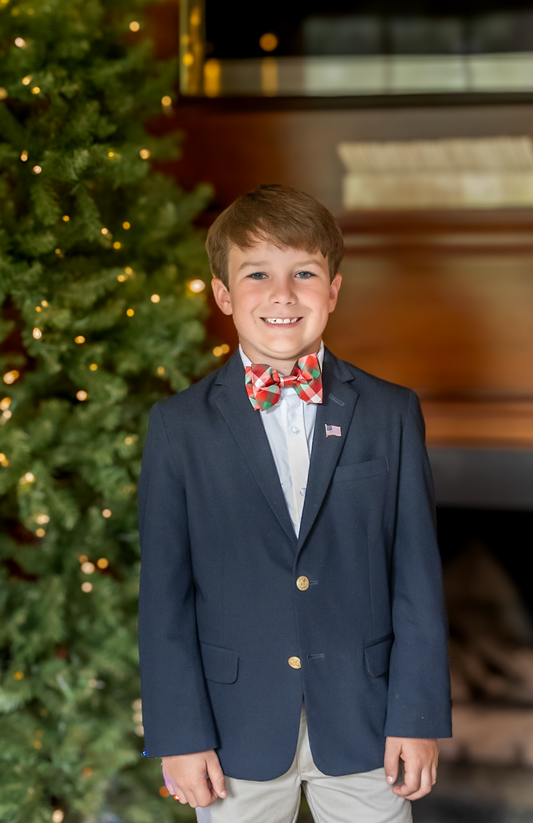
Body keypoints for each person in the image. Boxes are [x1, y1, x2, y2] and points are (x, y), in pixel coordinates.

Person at [137, 183, 452, 823]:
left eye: (303, 273)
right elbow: (164, 596)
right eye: (257, 274)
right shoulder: (178, 426)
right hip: (232, 731)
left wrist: (417, 716)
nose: (282, 294)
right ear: (223, 295)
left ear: (332, 290)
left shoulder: (390, 412)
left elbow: (416, 577)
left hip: (367, 724)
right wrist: (180, 734)